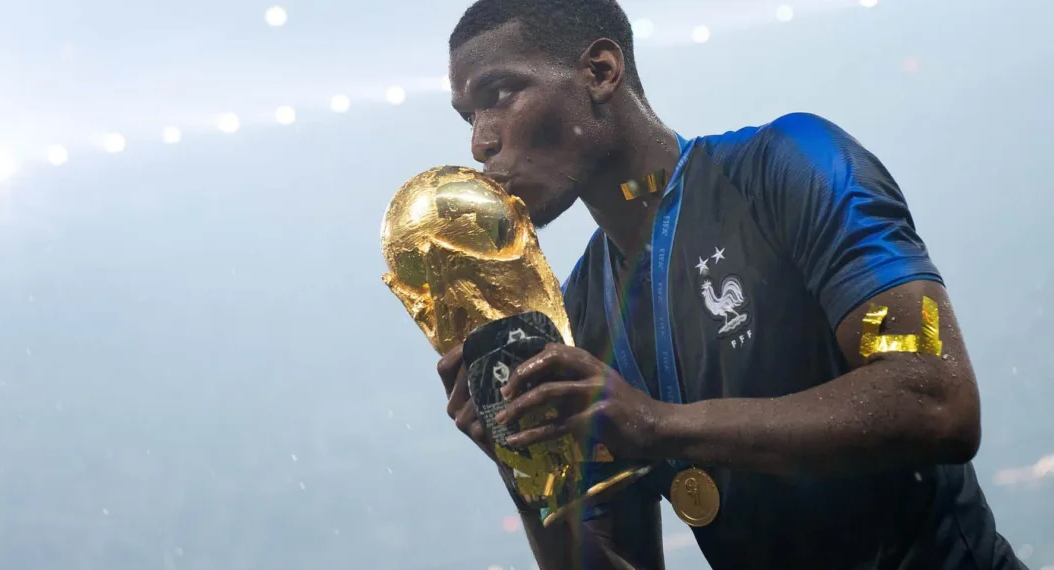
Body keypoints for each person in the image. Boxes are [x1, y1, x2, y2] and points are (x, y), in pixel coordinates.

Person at [435, 0, 1027, 569]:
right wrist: (526, 472)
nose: (480, 143)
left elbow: (934, 396)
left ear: (600, 71)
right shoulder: (581, 319)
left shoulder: (793, 167)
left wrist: (657, 426)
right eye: (469, 117)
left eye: (499, 95)